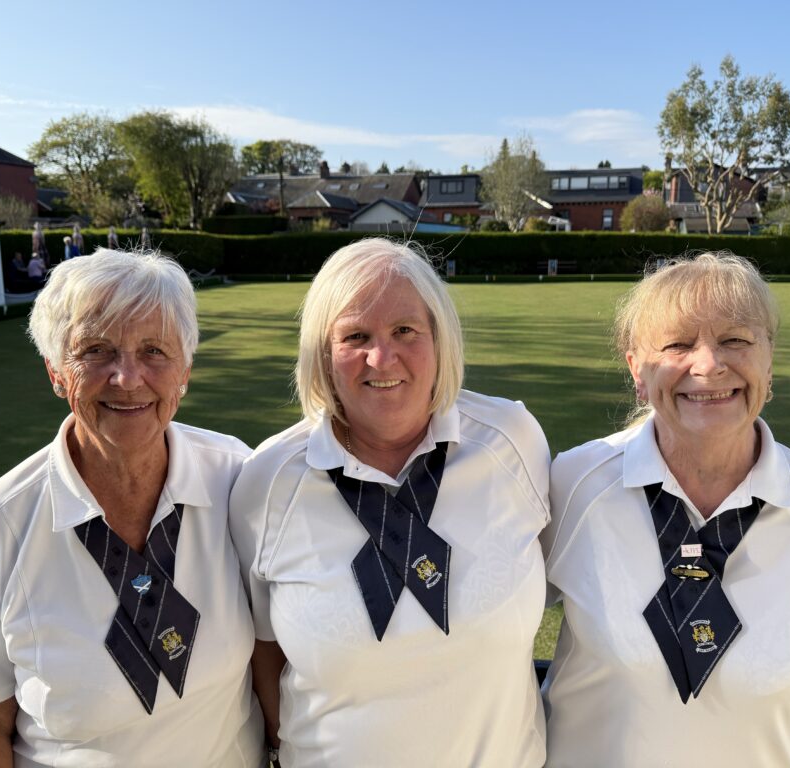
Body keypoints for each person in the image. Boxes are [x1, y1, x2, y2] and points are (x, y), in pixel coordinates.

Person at [541, 252, 790, 766]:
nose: (709, 364)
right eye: (677, 344)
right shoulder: (574, 484)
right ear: (637, 370)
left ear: (769, 360)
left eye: (736, 340)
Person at [229, 237, 551, 766]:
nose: (381, 358)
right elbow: (263, 650)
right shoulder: (267, 482)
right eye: (355, 336)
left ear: (439, 338)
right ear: (322, 353)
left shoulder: (511, 441)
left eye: (405, 330)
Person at [0, 249, 264, 766]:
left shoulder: (240, 478)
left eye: (154, 350)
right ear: (55, 372)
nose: (128, 378)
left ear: (185, 370)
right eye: (96, 350)